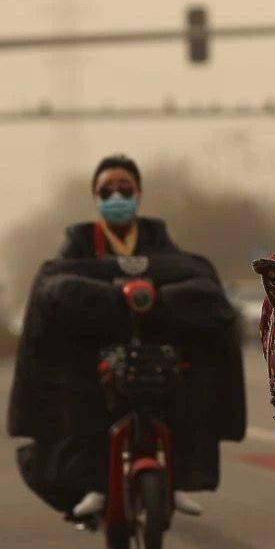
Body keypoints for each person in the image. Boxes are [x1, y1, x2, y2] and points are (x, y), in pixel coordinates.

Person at [60, 154, 203, 519]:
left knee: (187, 386)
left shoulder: (156, 235)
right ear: (95, 197)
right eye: (106, 190)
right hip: (98, 345)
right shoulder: (80, 239)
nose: (116, 196)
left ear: (138, 194)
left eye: (125, 189)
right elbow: (59, 282)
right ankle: (94, 485)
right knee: (82, 394)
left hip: (152, 343)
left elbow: (183, 272)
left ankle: (178, 481)